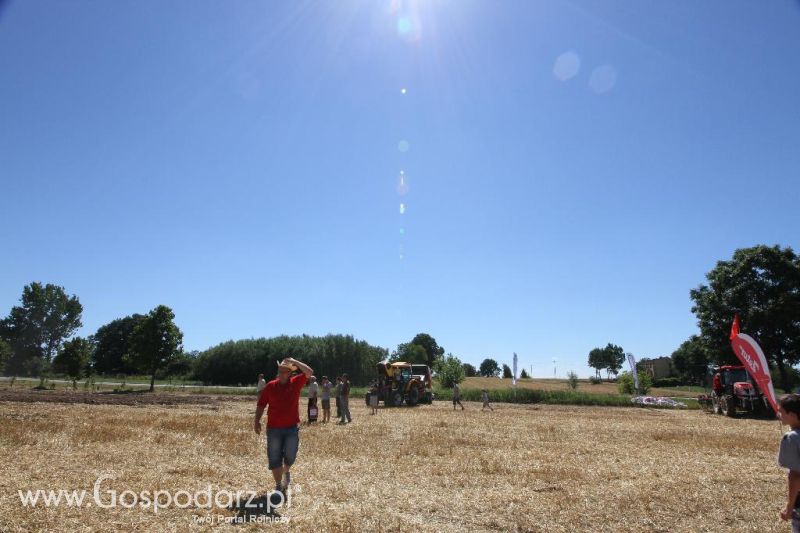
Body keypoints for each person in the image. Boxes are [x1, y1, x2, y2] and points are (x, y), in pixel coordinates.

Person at [254, 357, 313, 496]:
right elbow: (261, 404)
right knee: (274, 457)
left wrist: (296, 362)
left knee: (290, 456)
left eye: (284, 371)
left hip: (291, 428)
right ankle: (278, 485)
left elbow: (309, 372)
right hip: (273, 429)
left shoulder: (296, 383)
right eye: (279, 371)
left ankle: (286, 470)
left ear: (290, 373)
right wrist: (256, 420)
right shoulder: (270, 386)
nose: (280, 373)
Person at [778, 393, 800, 530]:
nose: (778, 415)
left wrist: (789, 506)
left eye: (781, 412)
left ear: (791, 414)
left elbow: (796, 475)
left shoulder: (792, 438)